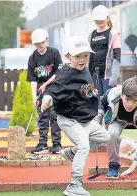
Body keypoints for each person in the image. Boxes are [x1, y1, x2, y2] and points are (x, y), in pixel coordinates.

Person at [41, 36, 111, 196]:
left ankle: (71, 153)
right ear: (68, 56)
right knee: (84, 146)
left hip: (85, 119)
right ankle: (74, 185)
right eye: (78, 56)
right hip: (69, 119)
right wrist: (47, 99)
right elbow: (53, 90)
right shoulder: (65, 74)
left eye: (85, 56)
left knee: (105, 137)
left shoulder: (84, 68)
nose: (82, 60)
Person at [95, 76, 137, 179]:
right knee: (111, 133)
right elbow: (102, 102)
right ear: (122, 95)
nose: (130, 104)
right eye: (127, 99)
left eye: (135, 101)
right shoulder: (112, 93)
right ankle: (113, 165)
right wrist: (99, 116)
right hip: (118, 118)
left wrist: (133, 166)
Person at [26, 28, 63, 154]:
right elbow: (32, 80)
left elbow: (59, 73)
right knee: (42, 117)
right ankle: (42, 144)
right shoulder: (32, 58)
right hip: (41, 89)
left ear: (47, 40)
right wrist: (33, 97)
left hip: (54, 87)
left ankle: (57, 144)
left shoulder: (54, 53)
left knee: (54, 116)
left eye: (41, 42)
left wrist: (46, 84)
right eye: (36, 43)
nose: (39, 45)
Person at [88, 5, 121, 96]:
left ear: (107, 17)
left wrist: (113, 78)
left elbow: (117, 58)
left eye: (101, 19)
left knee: (109, 103)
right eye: (97, 19)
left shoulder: (114, 34)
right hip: (94, 76)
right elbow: (88, 57)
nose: (100, 21)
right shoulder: (91, 34)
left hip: (108, 77)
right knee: (96, 104)